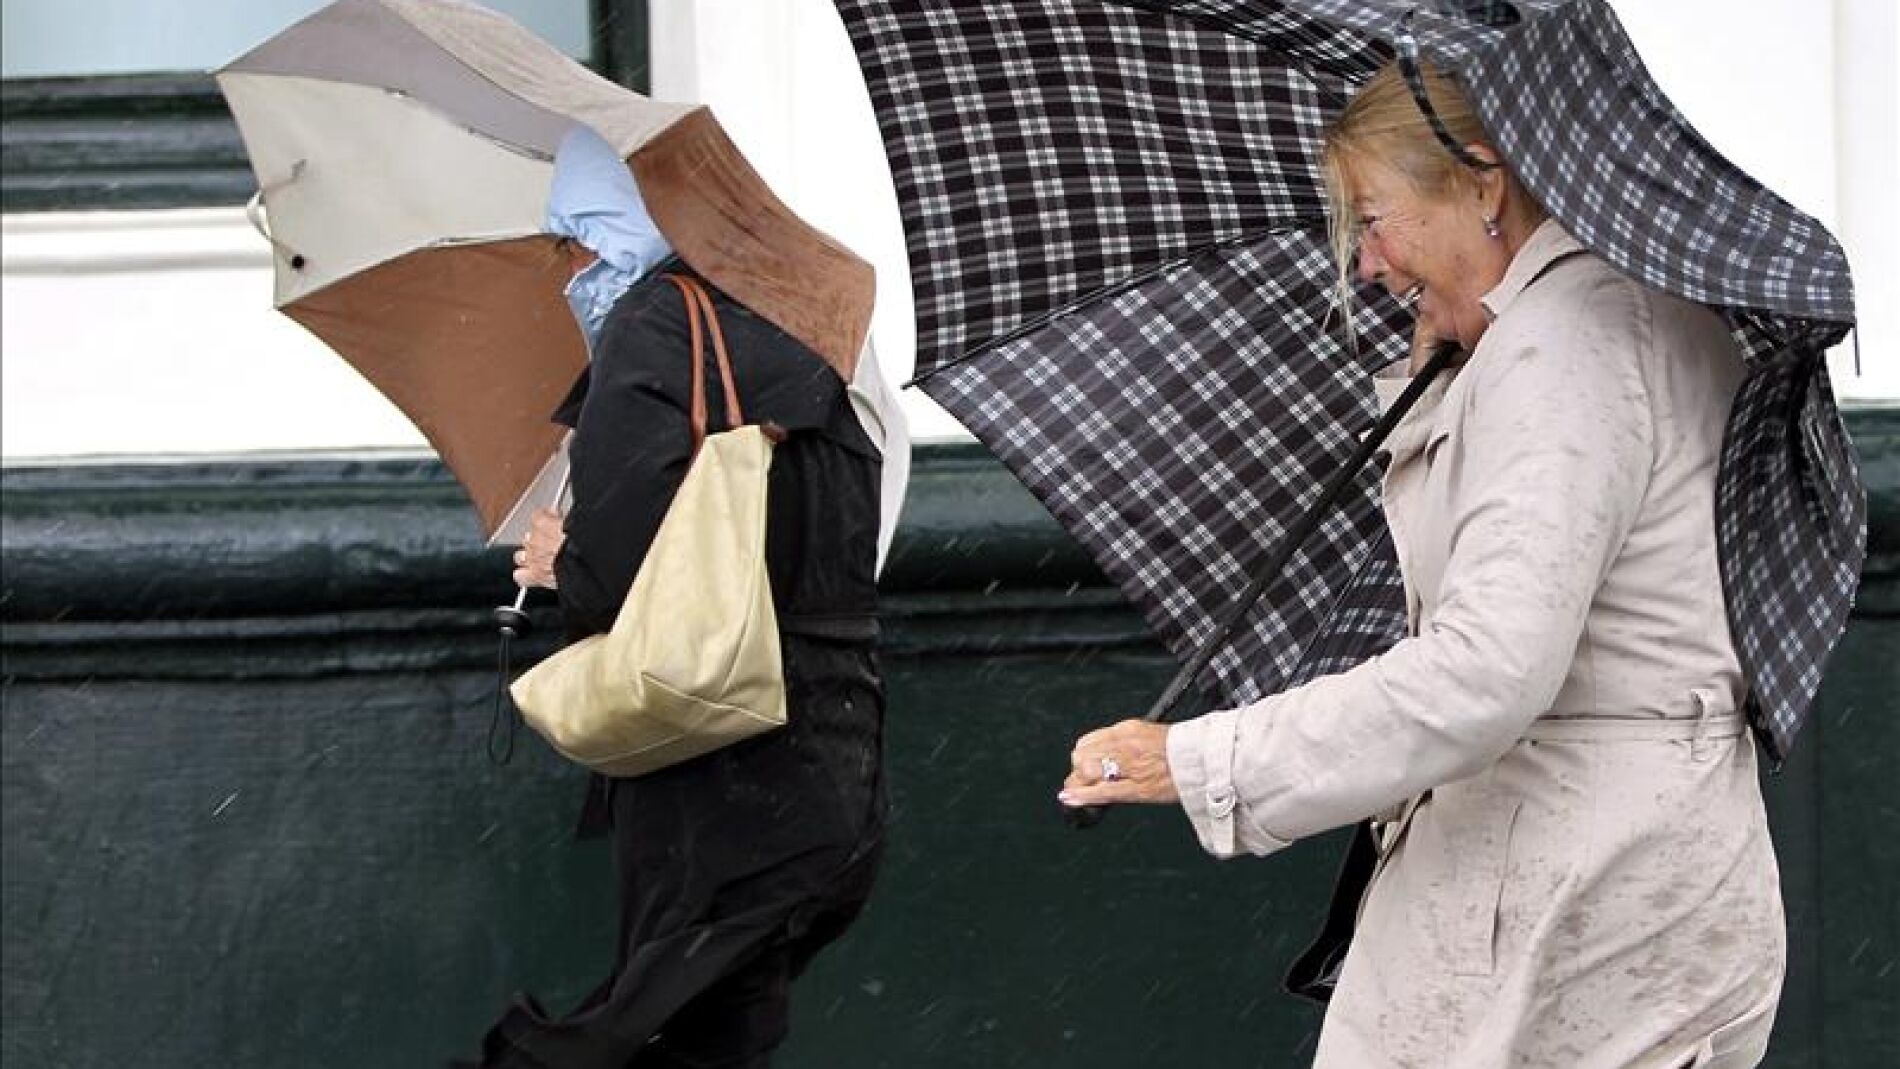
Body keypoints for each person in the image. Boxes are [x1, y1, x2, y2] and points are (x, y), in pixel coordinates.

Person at [1059, 60, 1784, 1069]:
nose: (1365, 264)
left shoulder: (1564, 347)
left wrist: (1200, 758)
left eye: (1373, 216)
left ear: (1484, 186)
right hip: (1617, 867)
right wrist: (1447, 365)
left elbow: (1486, 669)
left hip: (1577, 882)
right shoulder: (1602, 320)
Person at [466, 124, 890, 1069]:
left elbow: (623, 577)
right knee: (711, 1034)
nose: (564, 273)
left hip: (712, 772)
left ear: (613, 229)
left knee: (637, 1040)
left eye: (566, 242)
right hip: (833, 764)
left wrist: (558, 561)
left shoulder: (653, 327)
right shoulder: (801, 327)